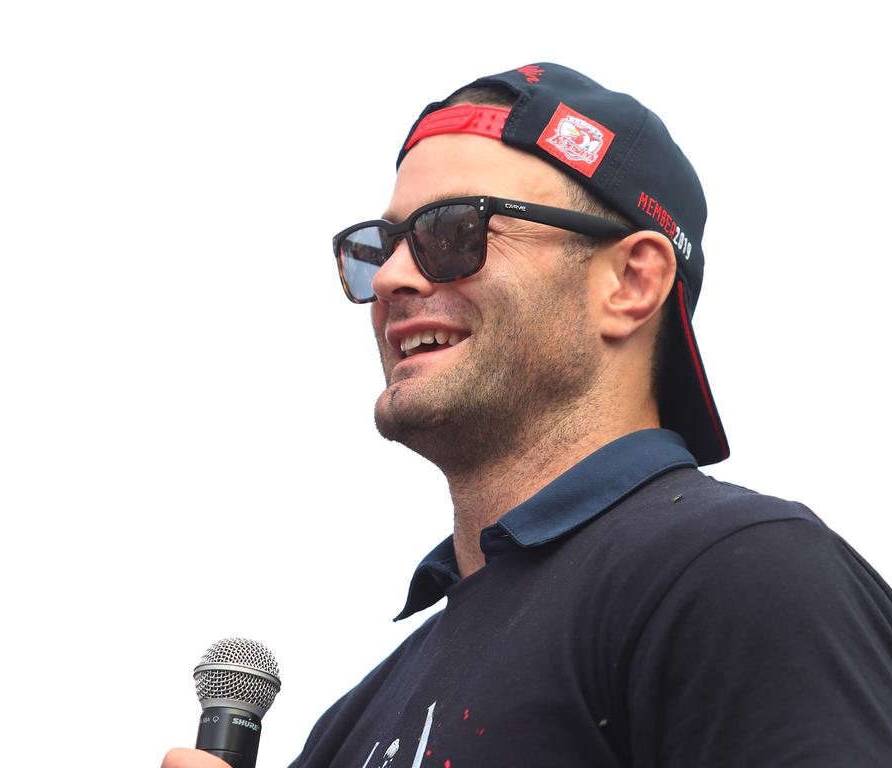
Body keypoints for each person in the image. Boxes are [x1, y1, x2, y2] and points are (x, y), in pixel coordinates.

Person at [164, 63, 892, 767]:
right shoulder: (354, 722)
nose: (391, 278)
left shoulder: (739, 571)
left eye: (453, 231)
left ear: (631, 282)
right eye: (377, 247)